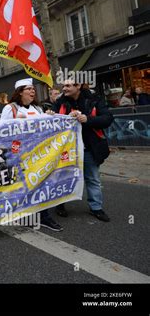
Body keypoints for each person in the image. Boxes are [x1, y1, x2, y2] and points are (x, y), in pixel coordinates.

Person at [0, 78, 63, 232]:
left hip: (38, 153)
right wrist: (14, 122)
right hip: (18, 154)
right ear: (20, 92)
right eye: (28, 88)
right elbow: (0, 130)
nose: (32, 91)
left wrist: (50, 117)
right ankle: (27, 215)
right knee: (24, 185)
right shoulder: (10, 109)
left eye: (33, 89)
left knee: (41, 182)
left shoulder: (38, 109)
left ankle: (44, 216)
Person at [49, 79, 114, 221]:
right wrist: (50, 115)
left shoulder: (94, 99)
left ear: (77, 86)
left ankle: (96, 208)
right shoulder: (60, 102)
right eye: (63, 86)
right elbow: (51, 121)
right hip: (66, 150)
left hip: (89, 148)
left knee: (92, 178)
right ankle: (60, 205)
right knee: (63, 178)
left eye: (68, 85)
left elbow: (108, 118)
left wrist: (88, 119)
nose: (64, 88)